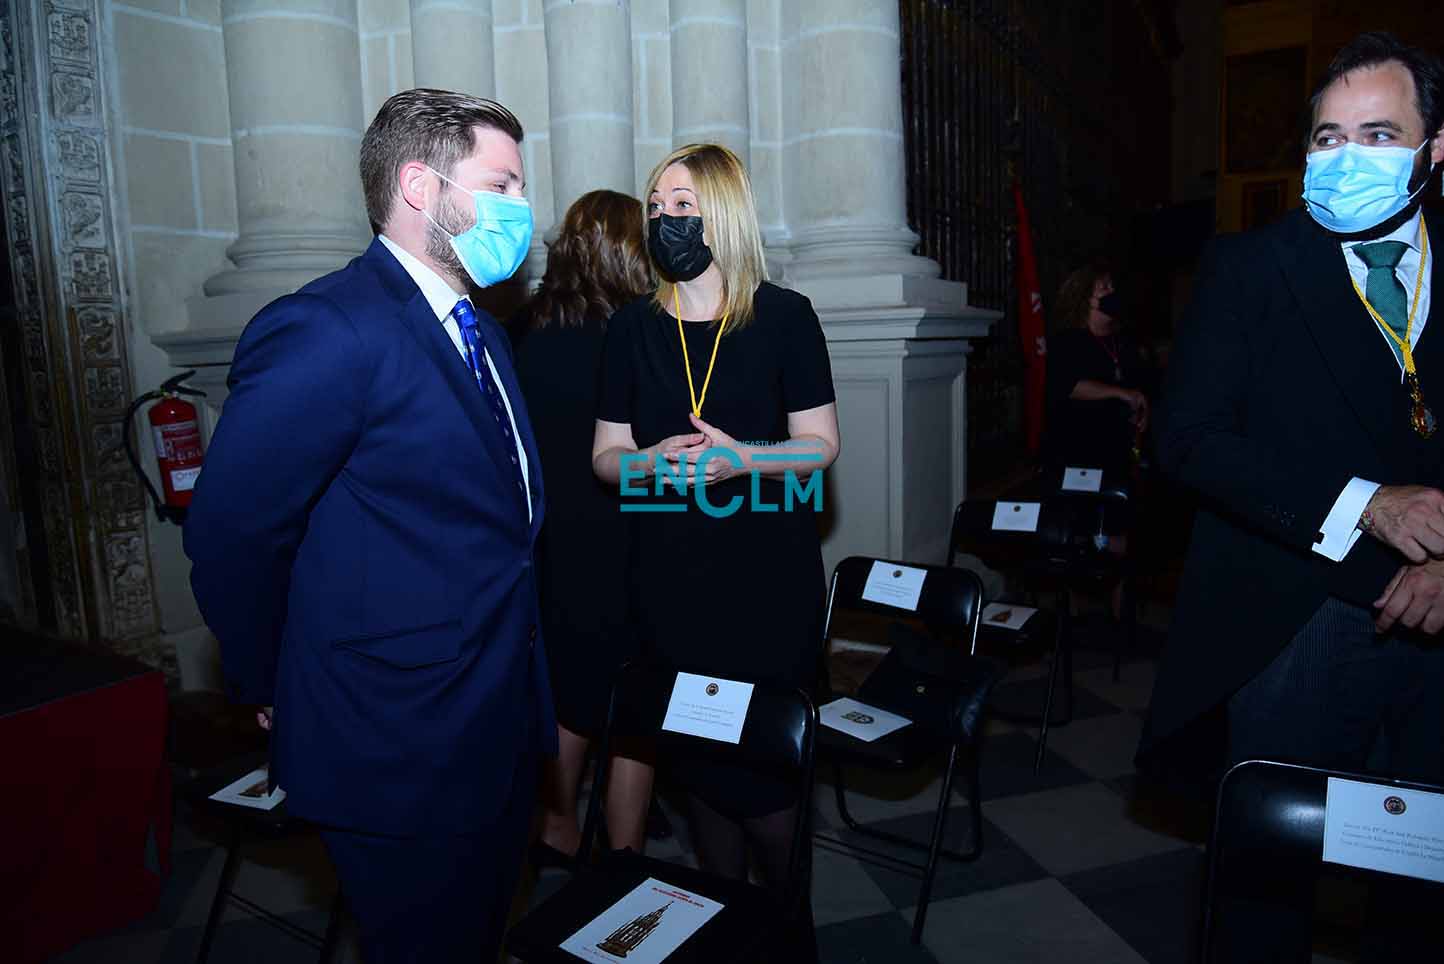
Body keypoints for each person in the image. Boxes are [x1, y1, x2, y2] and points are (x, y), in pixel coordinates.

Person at [184, 89, 555, 963]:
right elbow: (234, 533)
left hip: (495, 714)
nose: (522, 209)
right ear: (421, 187)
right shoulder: (329, 327)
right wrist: (271, 677)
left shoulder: (483, 332)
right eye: (501, 185)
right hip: (396, 736)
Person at [1139, 32, 1444, 961]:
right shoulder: (1250, 268)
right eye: (1326, 138)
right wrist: (1369, 504)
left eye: (1378, 134)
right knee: (1266, 886)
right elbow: (1188, 440)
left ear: (1434, 150)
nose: (1347, 157)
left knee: (1421, 885)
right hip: (1296, 615)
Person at [591, 143, 839, 961]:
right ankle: (727, 935)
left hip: (766, 586)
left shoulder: (785, 316)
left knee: (764, 780)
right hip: (672, 584)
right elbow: (605, 457)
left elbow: (820, 448)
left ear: (724, 213)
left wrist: (745, 460)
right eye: (656, 206)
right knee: (697, 765)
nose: (665, 219)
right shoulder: (631, 328)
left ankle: (790, 934)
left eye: (683, 206)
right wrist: (649, 463)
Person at [510, 189, 655, 860]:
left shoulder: (522, 329)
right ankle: (624, 860)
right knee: (635, 704)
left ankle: (558, 824)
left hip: (549, 539)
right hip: (625, 537)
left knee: (568, 692)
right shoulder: (637, 336)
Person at [1043, 265, 1151, 482]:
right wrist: (1120, 393)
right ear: (1086, 299)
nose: (1112, 292)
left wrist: (1141, 409)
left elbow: (1139, 384)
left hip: (1119, 452)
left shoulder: (1124, 341)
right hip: (1078, 452)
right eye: (1104, 288)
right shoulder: (1068, 341)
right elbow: (1067, 385)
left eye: (1112, 286)